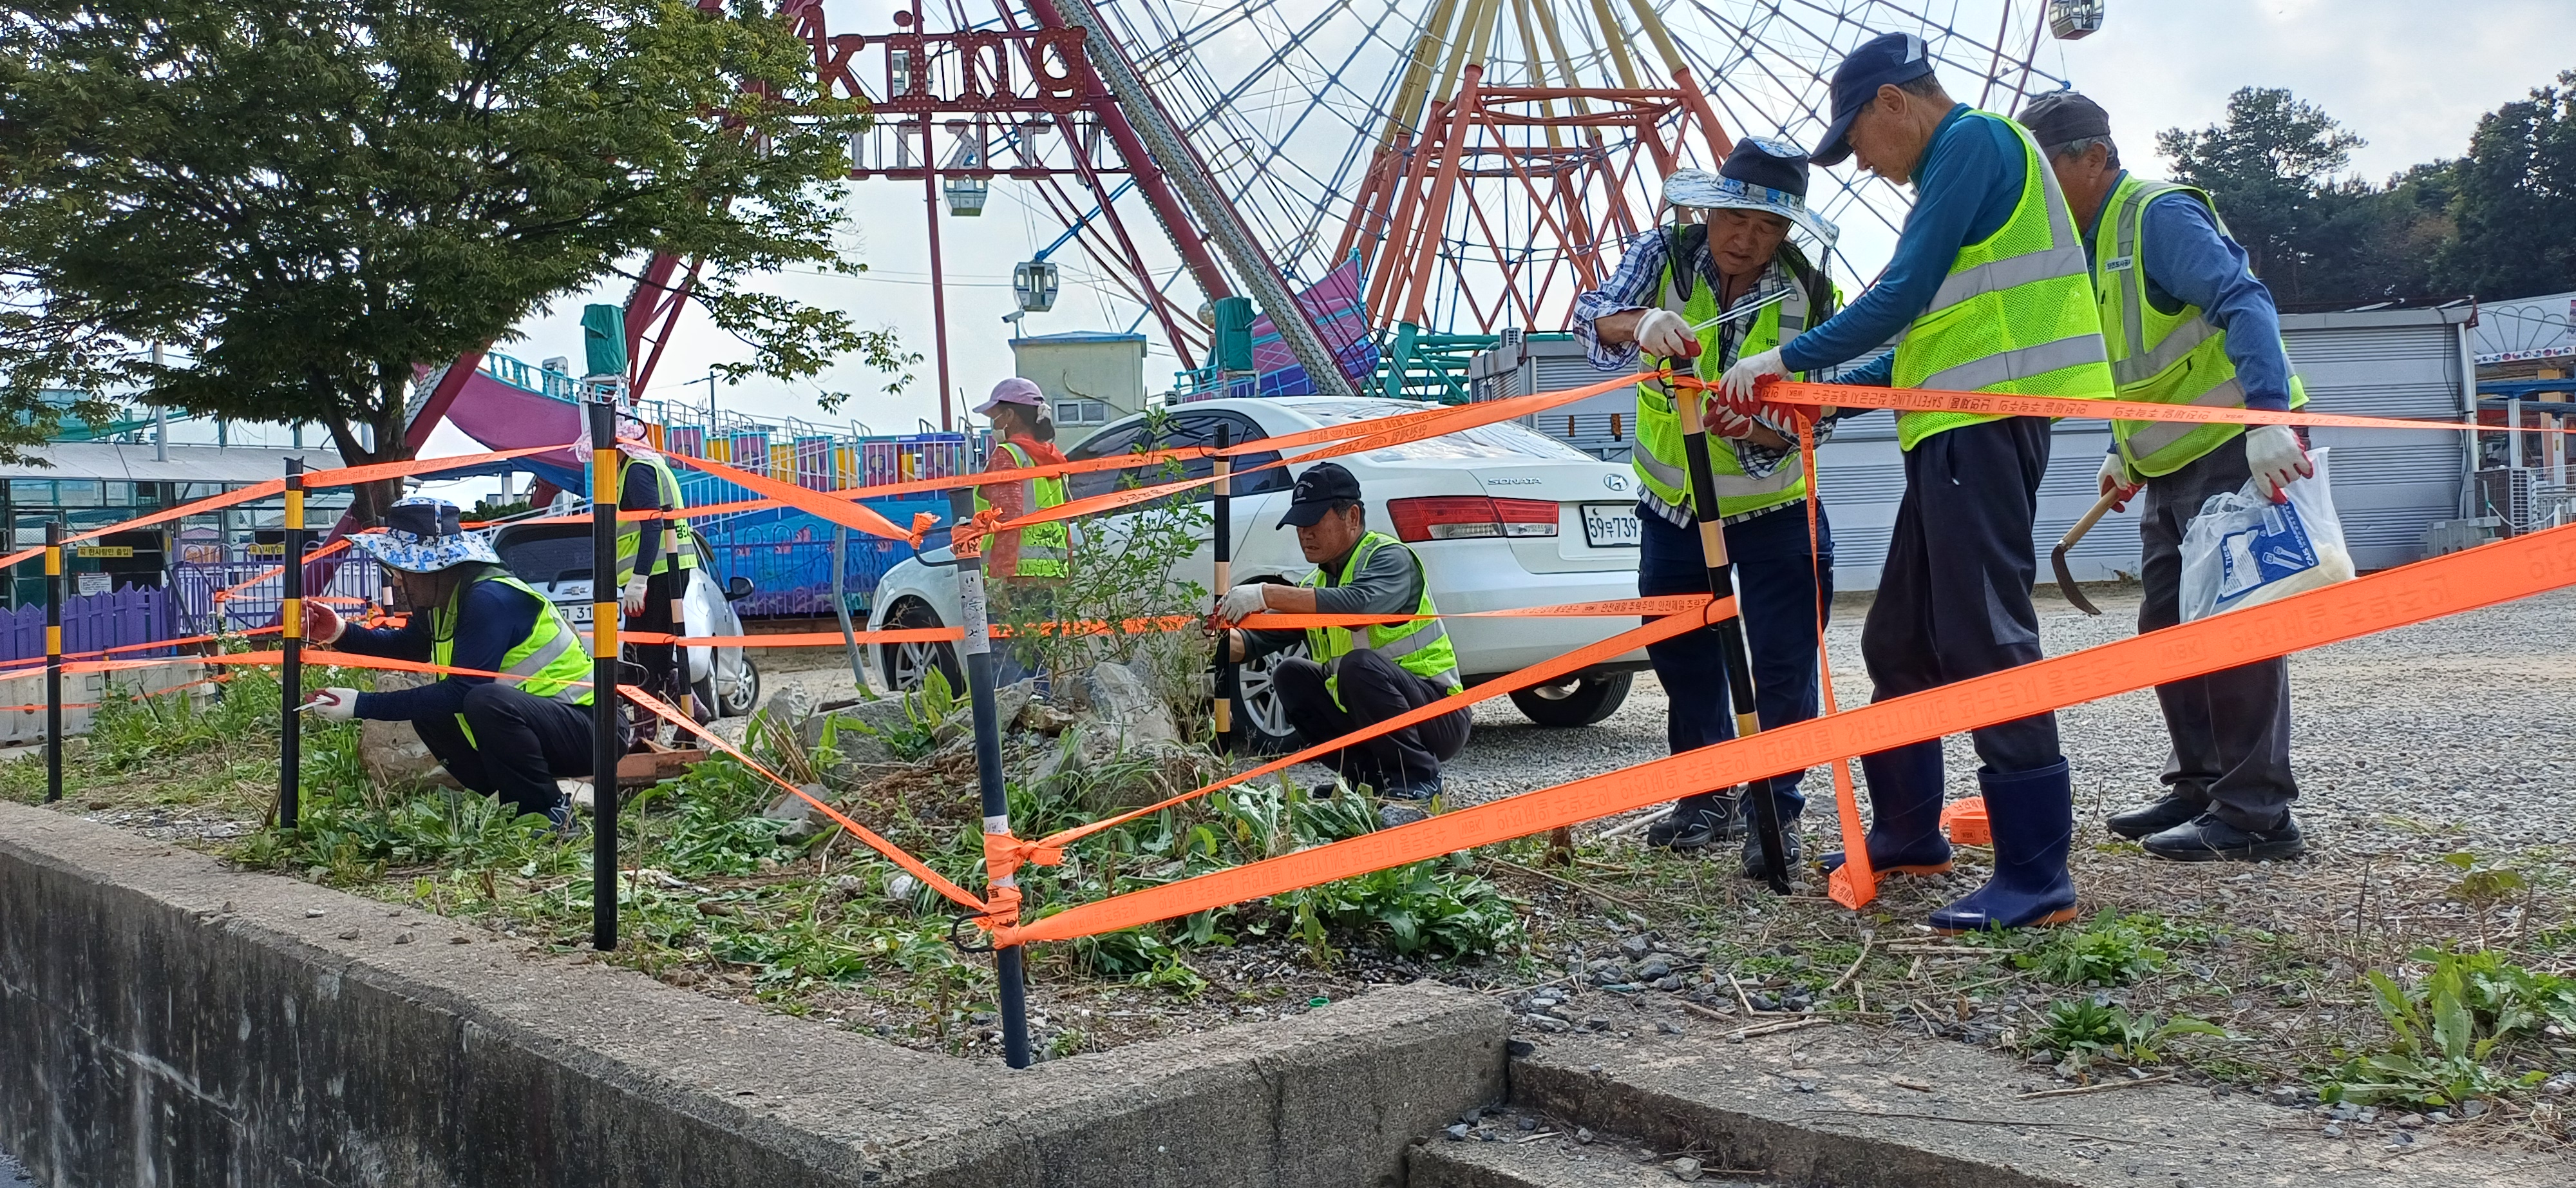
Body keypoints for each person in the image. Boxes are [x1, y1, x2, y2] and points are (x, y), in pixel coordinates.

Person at [1720, 33, 2116, 931]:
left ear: (1892, 102)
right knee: (1897, 641)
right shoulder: (1962, 168)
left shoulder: (1972, 144)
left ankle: (2035, 872)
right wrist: (1809, 400)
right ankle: (1908, 831)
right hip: (1949, 432)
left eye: (1855, 140)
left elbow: (1897, 294)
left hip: (1985, 428)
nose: (1862, 163)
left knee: (1986, 640)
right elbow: (1916, 348)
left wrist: (1790, 355)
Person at [2019, 91, 2311, 862]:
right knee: (2166, 626)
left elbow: (2244, 302)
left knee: (2232, 628)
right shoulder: (2084, 246)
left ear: (2093, 159)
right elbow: (2130, 366)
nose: (2036, 194)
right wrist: (2121, 448)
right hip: (2169, 462)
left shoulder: (2155, 215)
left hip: (2237, 448)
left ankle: (2256, 815)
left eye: (2045, 172)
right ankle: (2201, 784)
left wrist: (2266, 417)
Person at [1572, 137, 1844, 880]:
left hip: (1775, 511)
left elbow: (1827, 411)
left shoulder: (1810, 295)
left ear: (1786, 233)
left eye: (1766, 228)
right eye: (1734, 217)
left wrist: (1753, 427)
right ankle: (1706, 795)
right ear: (1709, 207)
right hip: (1673, 507)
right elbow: (1588, 315)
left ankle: (1775, 809)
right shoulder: (1661, 254)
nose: (1744, 238)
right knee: (1680, 652)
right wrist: (1638, 324)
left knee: (1784, 664)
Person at [301, 497, 601, 830]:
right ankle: (512, 804)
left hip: (590, 730)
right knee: (431, 711)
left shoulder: (489, 600)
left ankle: (549, 811)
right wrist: (340, 633)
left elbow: (464, 691)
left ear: (435, 568)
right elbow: (408, 647)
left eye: (402, 569)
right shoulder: (446, 601)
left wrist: (362, 705)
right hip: (542, 730)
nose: (398, 580)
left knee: (484, 700)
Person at [1213, 463, 1468, 827]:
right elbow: (1253, 643)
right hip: (1383, 714)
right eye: (1300, 524)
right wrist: (1211, 642)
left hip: (1439, 713)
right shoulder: (1316, 582)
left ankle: (1417, 780)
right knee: (1289, 674)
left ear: (1352, 516)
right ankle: (1365, 780)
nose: (1305, 534)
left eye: (1314, 521)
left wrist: (1265, 593)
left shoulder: (1389, 559)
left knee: (1357, 665)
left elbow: (1358, 605)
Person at [972, 378, 1070, 681]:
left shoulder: (1009, 456)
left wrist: (999, 579)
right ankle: (1042, 722)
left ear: (1010, 416)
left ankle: (1014, 726)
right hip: (1048, 575)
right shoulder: (1052, 460)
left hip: (1015, 577)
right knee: (1038, 658)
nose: (994, 424)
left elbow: (1008, 521)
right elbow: (1065, 519)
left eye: (995, 416)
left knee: (1009, 663)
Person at [611, 412, 697, 712]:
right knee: (651, 654)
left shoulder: (637, 471)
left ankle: (646, 728)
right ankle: (690, 712)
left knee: (643, 658)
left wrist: (638, 580)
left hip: (656, 575)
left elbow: (652, 525)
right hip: (664, 571)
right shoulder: (650, 465)